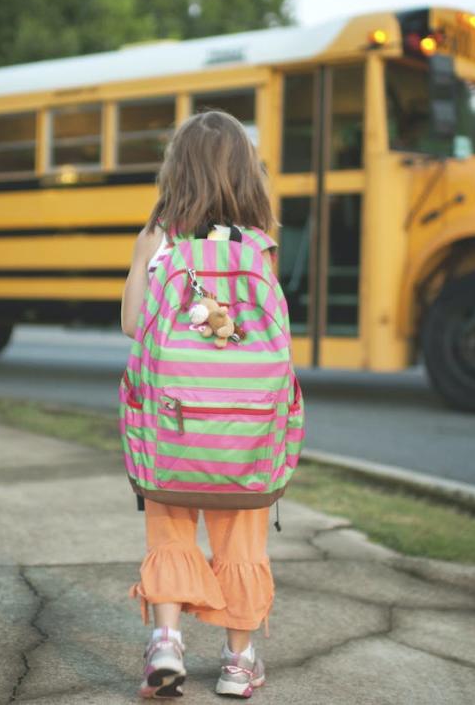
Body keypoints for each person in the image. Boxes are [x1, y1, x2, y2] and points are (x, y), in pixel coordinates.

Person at [120, 109, 280, 699]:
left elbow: (135, 325)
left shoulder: (158, 239)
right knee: (242, 540)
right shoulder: (260, 247)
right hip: (243, 431)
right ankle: (239, 664)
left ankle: (166, 645)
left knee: (170, 535)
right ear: (246, 174)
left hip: (173, 424)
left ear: (176, 170)